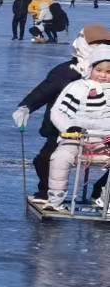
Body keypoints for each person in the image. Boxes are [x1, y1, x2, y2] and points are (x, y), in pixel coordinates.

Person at [14, 25, 110, 200]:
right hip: (62, 130)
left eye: (104, 44)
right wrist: (26, 107)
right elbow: (44, 90)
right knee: (46, 160)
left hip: (102, 133)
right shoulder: (66, 71)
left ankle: (103, 191)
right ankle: (47, 192)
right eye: (95, 44)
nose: (100, 48)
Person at [38, 51, 110, 213]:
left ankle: (106, 197)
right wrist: (69, 128)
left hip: (105, 140)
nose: (103, 76)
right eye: (99, 70)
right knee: (61, 157)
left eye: (108, 72)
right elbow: (59, 112)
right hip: (77, 139)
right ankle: (55, 198)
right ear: (91, 69)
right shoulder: (77, 87)